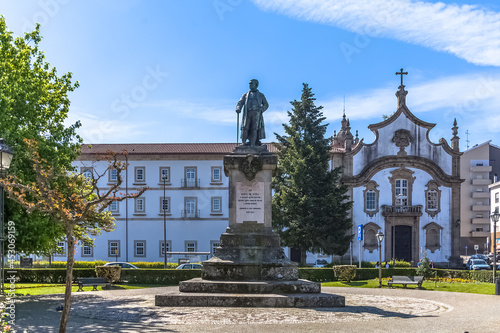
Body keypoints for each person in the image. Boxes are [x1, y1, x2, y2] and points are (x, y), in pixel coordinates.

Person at [236, 79, 269, 146]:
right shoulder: (245, 95)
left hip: (256, 113)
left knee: (254, 128)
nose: (250, 85)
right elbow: (240, 102)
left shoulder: (261, 95)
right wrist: (238, 108)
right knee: (245, 127)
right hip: (247, 113)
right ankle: (243, 142)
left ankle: (253, 144)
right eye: (249, 84)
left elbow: (266, 104)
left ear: (256, 85)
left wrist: (261, 110)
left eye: (251, 83)